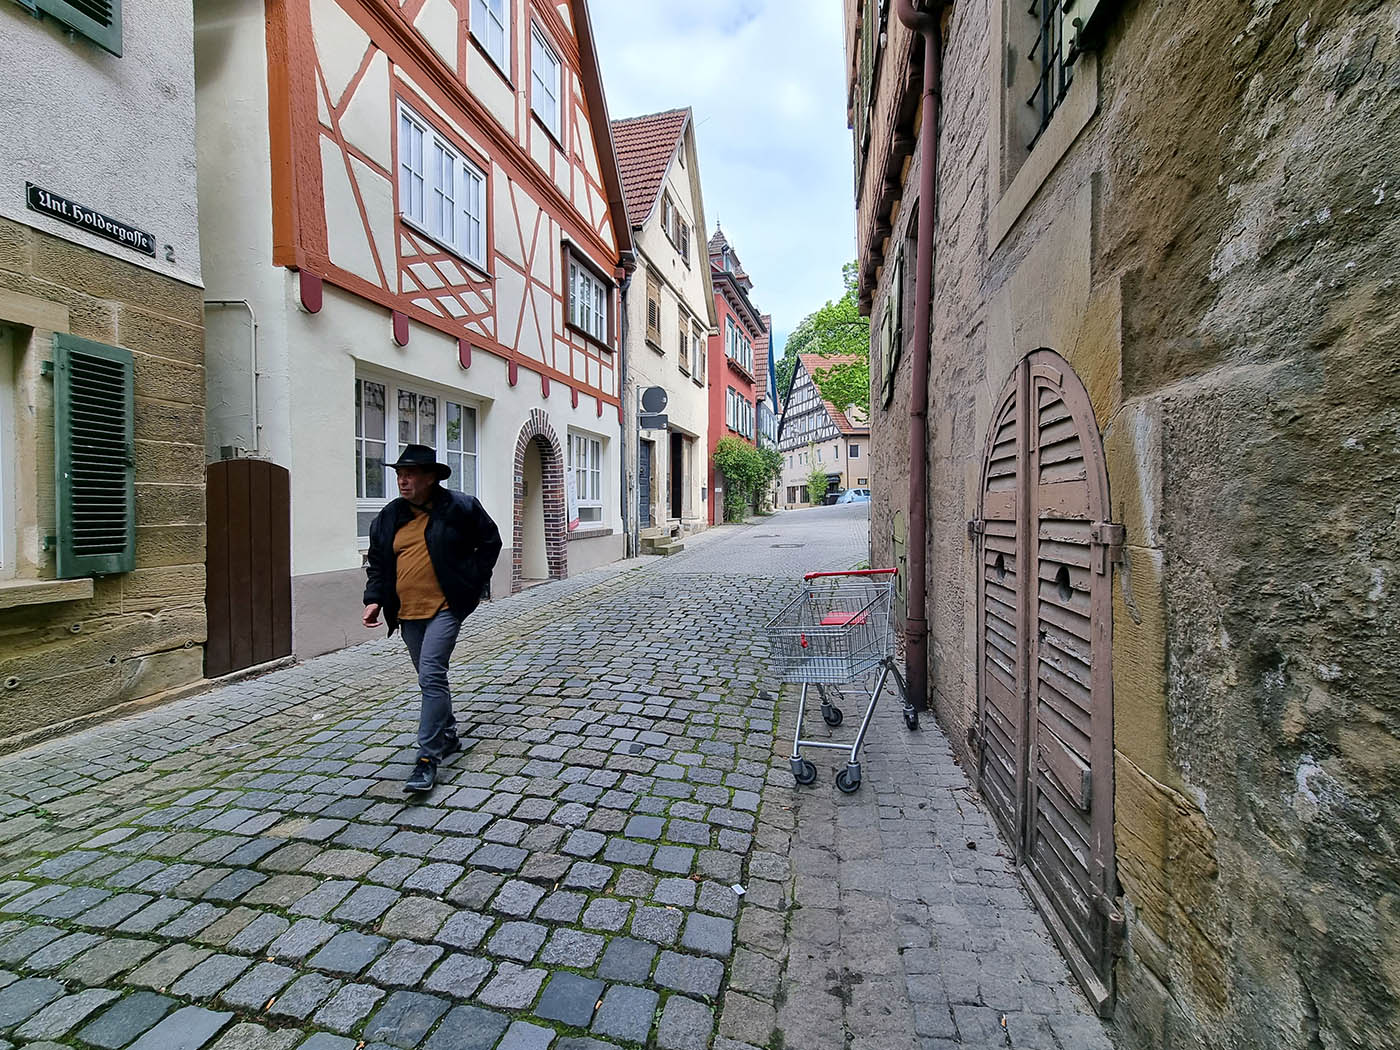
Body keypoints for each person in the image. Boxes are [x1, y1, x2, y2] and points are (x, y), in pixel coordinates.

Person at [363, 444, 502, 793]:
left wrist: (473, 581)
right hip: (407, 612)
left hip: (446, 606)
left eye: (409, 474)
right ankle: (449, 734)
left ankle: (427, 758)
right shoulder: (390, 516)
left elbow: (490, 542)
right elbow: (378, 562)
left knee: (431, 674)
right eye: (399, 474)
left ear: (430, 478)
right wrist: (374, 599)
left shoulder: (460, 507)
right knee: (430, 678)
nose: (402, 480)